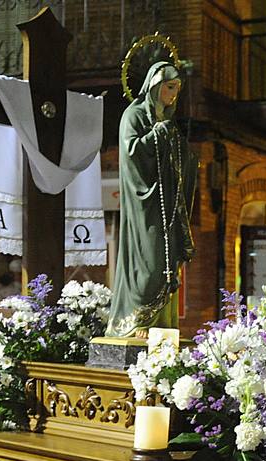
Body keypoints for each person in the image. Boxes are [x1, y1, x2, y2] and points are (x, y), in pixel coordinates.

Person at [108, 61, 198, 334]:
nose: (173, 94)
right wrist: (158, 134)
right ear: (155, 86)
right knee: (150, 259)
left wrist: (188, 159)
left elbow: (177, 158)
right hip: (144, 203)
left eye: (177, 89)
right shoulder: (133, 115)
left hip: (167, 204)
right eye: (170, 87)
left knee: (167, 260)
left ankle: (161, 323)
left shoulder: (166, 120)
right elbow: (132, 152)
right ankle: (138, 320)